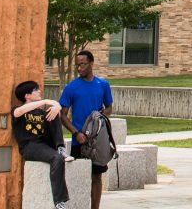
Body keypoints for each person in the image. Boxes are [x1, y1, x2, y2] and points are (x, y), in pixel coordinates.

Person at [58, 49, 114, 208]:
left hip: (97, 141)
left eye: (82, 64)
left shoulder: (102, 85)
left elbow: (109, 108)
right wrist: (76, 133)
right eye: (77, 65)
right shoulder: (71, 88)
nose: (79, 68)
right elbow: (63, 115)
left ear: (91, 64)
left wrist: (100, 117)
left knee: (97, 177)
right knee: (78, 176)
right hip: (79, 140)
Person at [11, 80, 72, 209]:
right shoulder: (18, 110)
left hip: (45, 144)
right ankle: (59, 202)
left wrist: (56, 107)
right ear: (27, 96)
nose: (39, 91)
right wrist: (45, 101)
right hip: (30, 146)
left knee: (54, 112)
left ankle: (60, 147)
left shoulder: (43, 113)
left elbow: (57, 106)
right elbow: (18, 112)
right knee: (56, 159)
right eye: (36, 90)